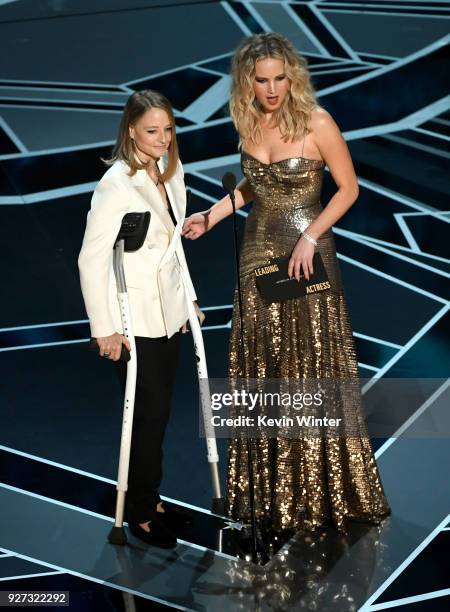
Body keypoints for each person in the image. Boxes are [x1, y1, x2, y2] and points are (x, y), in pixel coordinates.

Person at [182, 33, 390, 535]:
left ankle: (324, 489)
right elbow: (256, 185)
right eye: (262, 80)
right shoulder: (248, 122)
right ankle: (275, 491)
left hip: (308, 255)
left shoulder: (317, 122)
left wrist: (310, 237)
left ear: (291, 77)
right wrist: (213, 215)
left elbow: (349, 189)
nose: (272, 89)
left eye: (279, 78)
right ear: (247, 83)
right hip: (258, 253)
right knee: (264, 362)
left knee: (311, 362)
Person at [79, 90, 204, 548]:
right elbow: (91, 259)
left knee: (160, 416)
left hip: (168, 315)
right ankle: (140, 513)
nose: (163, 139)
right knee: (145, 420)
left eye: (168, 130)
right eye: (152, 131)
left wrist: (187, 301)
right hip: (132, 324)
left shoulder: (171, 174)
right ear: (131, 130)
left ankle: (149, 498)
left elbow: (171, 250)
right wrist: (104, 329)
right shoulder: (116, 185)